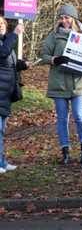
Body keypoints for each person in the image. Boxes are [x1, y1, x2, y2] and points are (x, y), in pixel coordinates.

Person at [41, 4, 82, 164]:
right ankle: (65, 151)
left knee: (79, 116)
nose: (64, 20)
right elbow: (44, 55)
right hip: (59, 83)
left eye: (67, 17)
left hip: (78, 83)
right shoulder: (54, 36)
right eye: (62, 17)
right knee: (62, 118)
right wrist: (55, 59)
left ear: (74, 18)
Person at [0, 17, 28, 173]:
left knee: (2, 131)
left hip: (5, 94)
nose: (1, 26)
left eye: (3, 23)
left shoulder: (5, 42)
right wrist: (15, 34)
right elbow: (2, 54)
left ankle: (2, 162)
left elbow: (8, 62)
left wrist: (22, 65)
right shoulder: (6, 43)